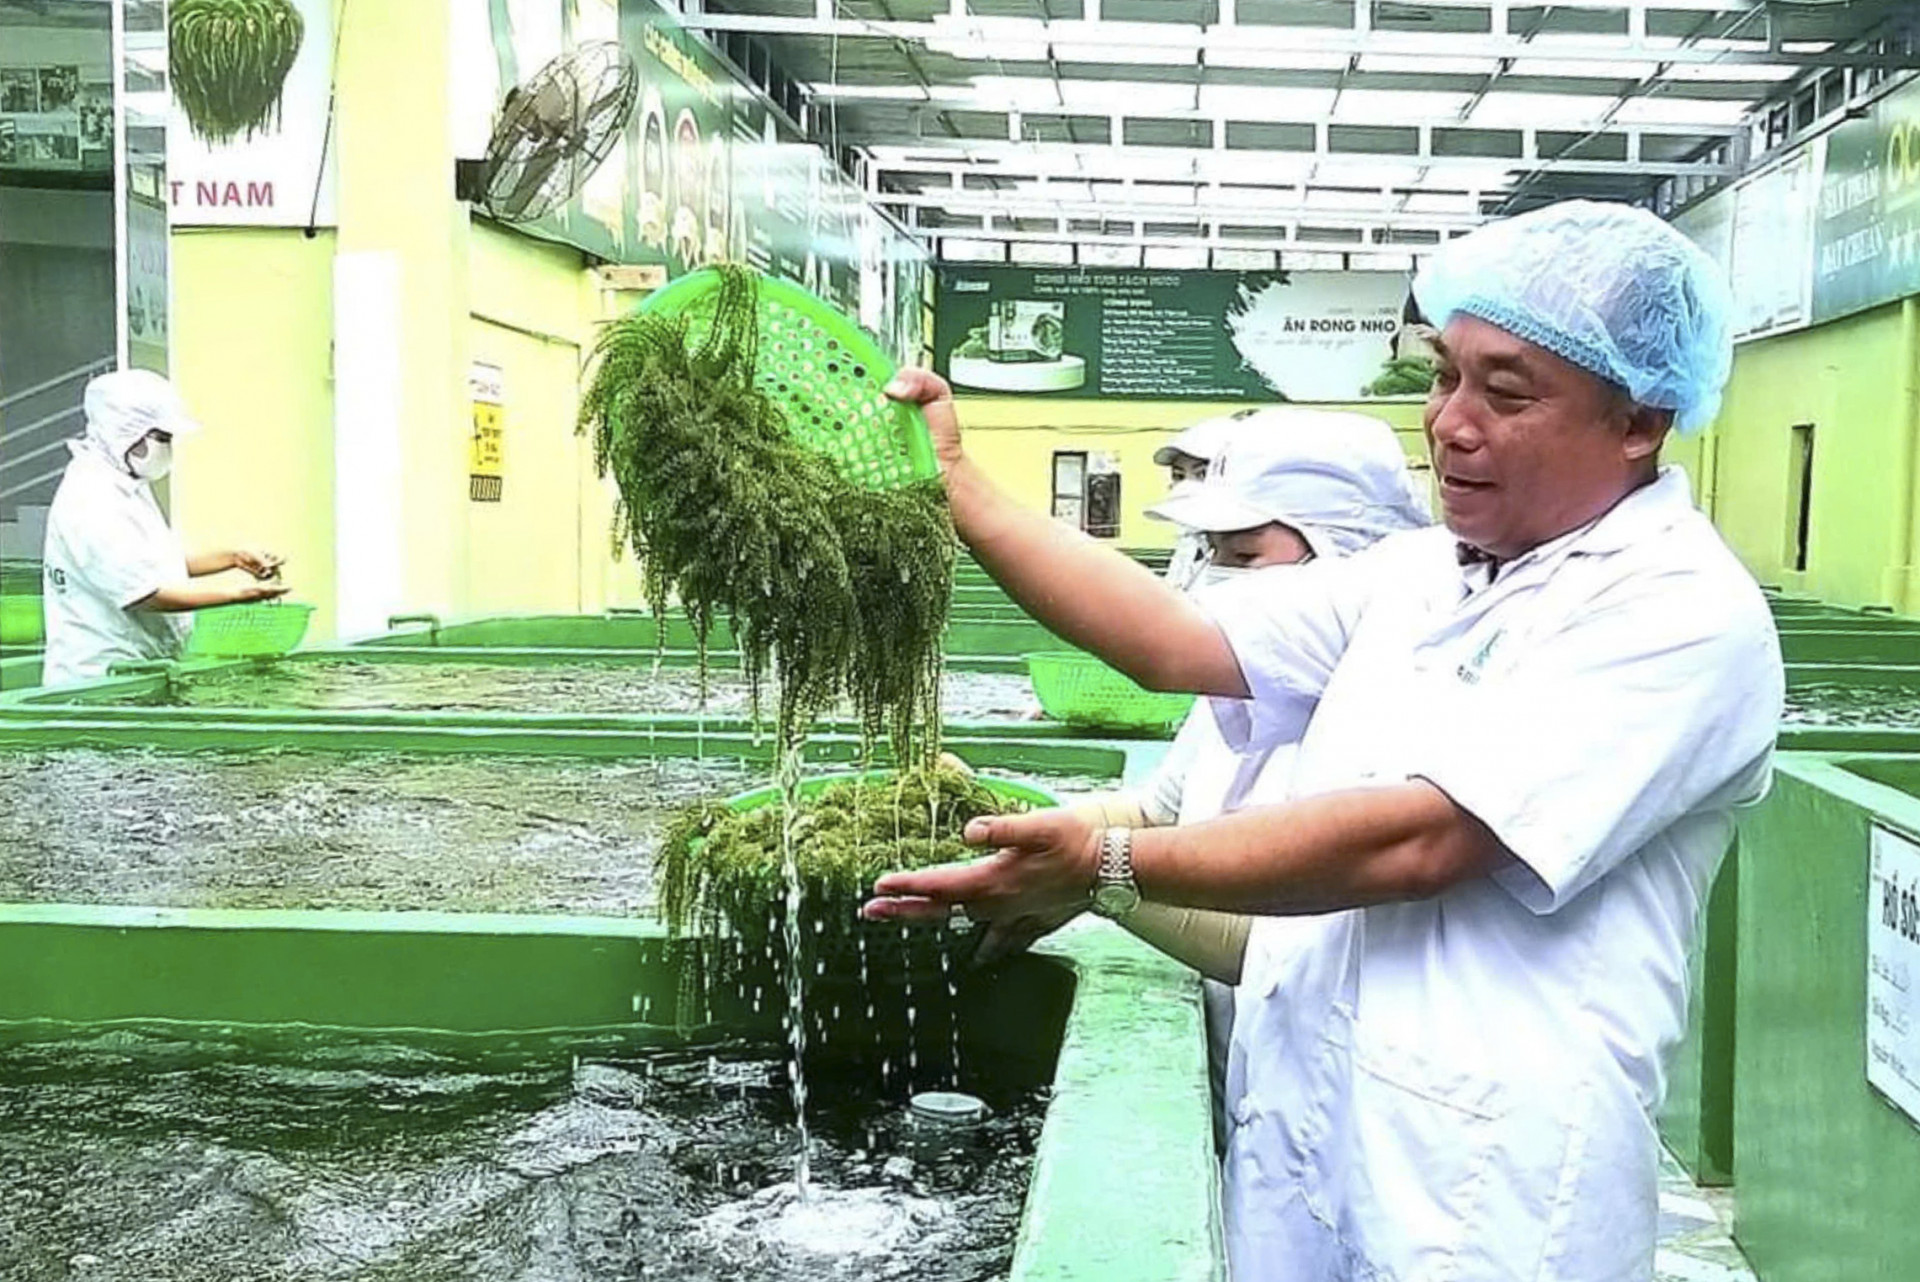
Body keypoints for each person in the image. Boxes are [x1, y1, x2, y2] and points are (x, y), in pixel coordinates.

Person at [868, 200, 1783, 1279]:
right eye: (1445, 375)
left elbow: (1420, 842)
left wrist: (1106, 865)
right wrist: (964, 493)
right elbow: (1178, 640)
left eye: (1508, 392)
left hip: (1492, 1192)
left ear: (1639, 420)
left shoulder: (1677, 610)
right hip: (1312, 1134)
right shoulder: (1419, 576)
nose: (1451, 422)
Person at [1038, 411, 1432, 1156]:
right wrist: (997, 820)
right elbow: (1161, 810)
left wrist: (1091, 878)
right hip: (1250, 1071)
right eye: (1211, 551)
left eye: (1245, 554)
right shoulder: (1242, 682)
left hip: (1349, 1113)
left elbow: (1287, 944)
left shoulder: (1399, 709)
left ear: (1343, 551)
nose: (1219, 576)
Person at [41, 370, 287, 687]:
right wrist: (236, 596)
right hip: (97, 680)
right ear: (125, 433)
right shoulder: (90, 499)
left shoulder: (126, 484)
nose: (168, 448)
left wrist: (233, 558)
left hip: (139, 671)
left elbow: (154, 564)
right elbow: (144, 595)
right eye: (162, 438)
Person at [1153, 412, 1233, 591]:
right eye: (1179, 476)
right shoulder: (1191, 541)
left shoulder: (1248, 550)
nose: (1186, 486)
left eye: (1202, 473)